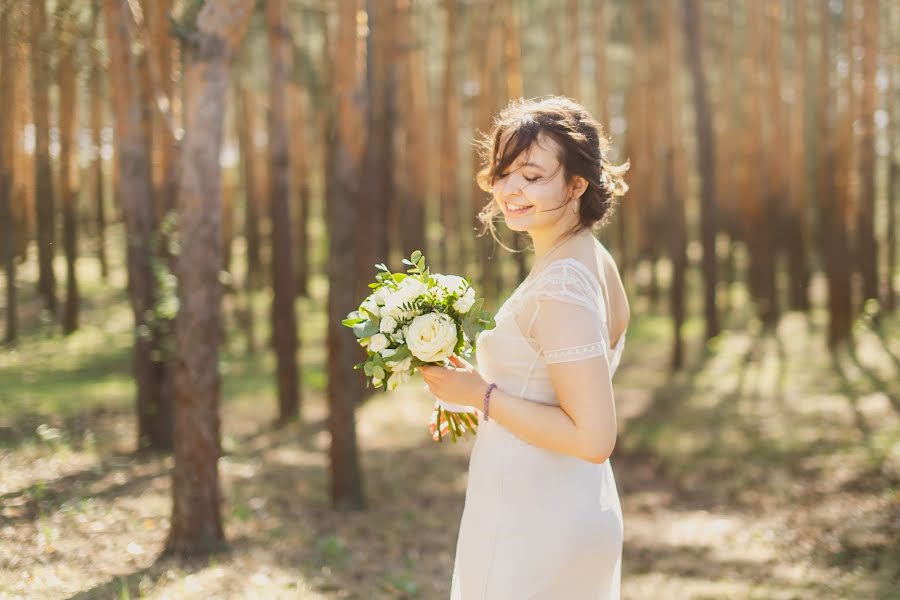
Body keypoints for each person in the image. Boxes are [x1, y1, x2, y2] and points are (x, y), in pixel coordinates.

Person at [419, 95, 631, 599]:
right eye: (503, 171)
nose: (510, 188)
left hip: (536, 523)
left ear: (577, 184)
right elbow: (556, 387)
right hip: (563, 507)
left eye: (533, 176)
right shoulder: (592, 258)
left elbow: (593, 437)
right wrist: (476, 395)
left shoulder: (563, 284)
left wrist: (481, 396)